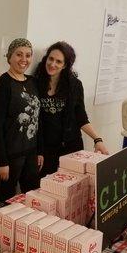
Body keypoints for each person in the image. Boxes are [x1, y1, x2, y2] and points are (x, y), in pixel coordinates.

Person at [35, 41, 108, 177]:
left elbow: (81, 117)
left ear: (65, 65)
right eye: (51, 59)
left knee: (72, 187)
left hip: (71, 146)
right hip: (46, 150)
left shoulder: (74, 85)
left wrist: (97, 139)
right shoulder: (36, 83)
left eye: (58, 61)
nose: (52, 64)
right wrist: (37, 150)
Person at [0, 38, 43, 201]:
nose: (24, 59)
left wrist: (39, 151)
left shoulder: (33, 82)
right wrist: (2, 161)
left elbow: (37, 118)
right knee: (5, 199)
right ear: (10, 57)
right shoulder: (3, 84)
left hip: (31, 153)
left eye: (28, 55)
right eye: (19, 54)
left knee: (32, 197)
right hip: (11, 155)